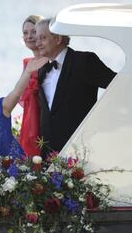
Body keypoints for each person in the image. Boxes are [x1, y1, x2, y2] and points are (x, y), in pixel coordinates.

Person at [35, 18, 117, 158]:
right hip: (49, 156)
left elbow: (117, 86)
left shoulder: (84, 61)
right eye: (37, 39)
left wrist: (104, 120)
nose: (37, 44)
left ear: (58, 39)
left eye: (42, 38)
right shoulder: (42, 71)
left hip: (81, 151)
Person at [18, 15, 44, 157]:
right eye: (25, 33)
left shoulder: (49, 60)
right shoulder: (28, 63)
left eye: (33, 32)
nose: (29, 36)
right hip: (29, 117)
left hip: (42, 118)